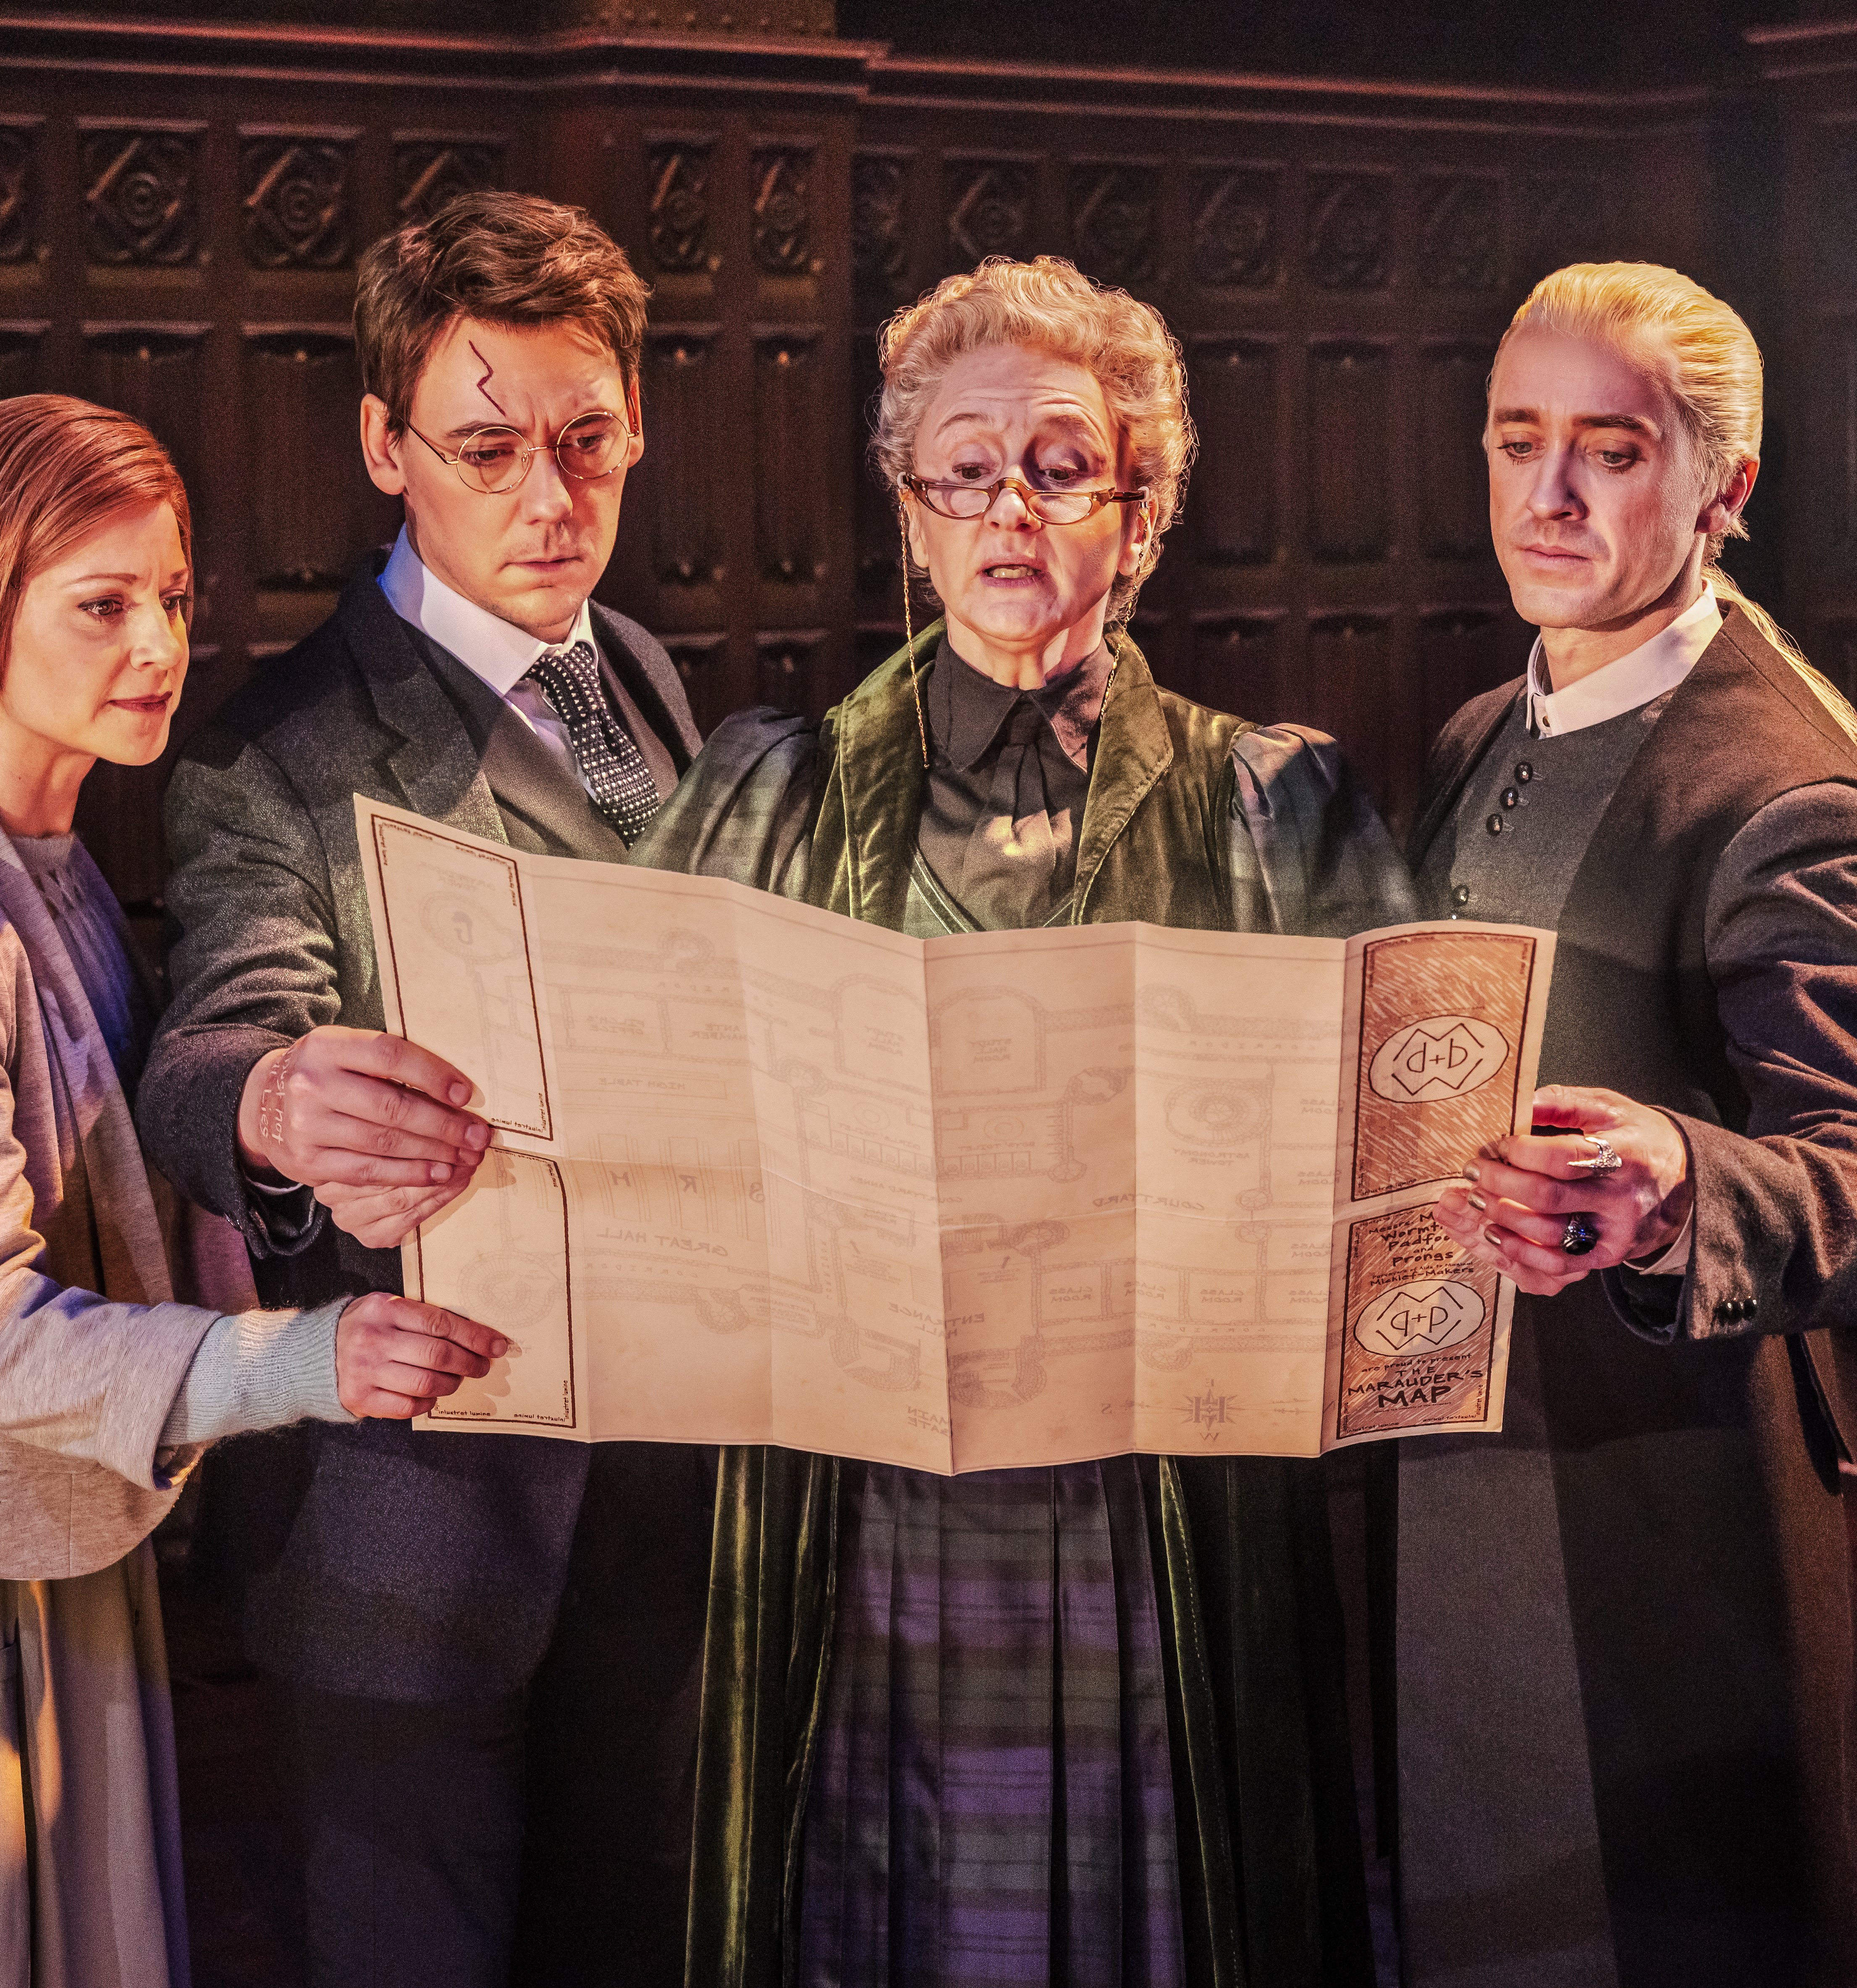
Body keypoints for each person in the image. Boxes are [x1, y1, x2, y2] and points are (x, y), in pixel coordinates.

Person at [635, 255, 1407, 1988]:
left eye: (1061, 466)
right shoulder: (769, 793)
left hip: (1161, 1518)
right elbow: (653, 1136)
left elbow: (1390, 1173)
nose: (1009, 508)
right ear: (910, 515)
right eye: (963, 469)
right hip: (865, 1509)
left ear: (1141, 518)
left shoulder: (1275, 802)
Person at [0, 394, 503, 1988]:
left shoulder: (43, 867)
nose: (160, 645)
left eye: (173, 598)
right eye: (103, 605)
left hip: (52, 1560)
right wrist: (304, 1363)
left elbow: (121, 1192)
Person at [134, 193, 713, 1988]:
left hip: (676, 1504)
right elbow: (203, 1054)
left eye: (588, 442)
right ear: (387, 445)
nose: (552, 502)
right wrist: (277, 1108)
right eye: (487, 450)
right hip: (416, 1538)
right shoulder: (271, 750)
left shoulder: (645, 676)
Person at [1395, 263, 1857, 1987]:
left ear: (1726, 490)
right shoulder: (1483, 733)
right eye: (1518, 440)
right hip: (1459, 1487)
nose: (1549, 497)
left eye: (1612, 452)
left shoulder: (1783, 791)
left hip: (1667, 1531)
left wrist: (1676, 1182)